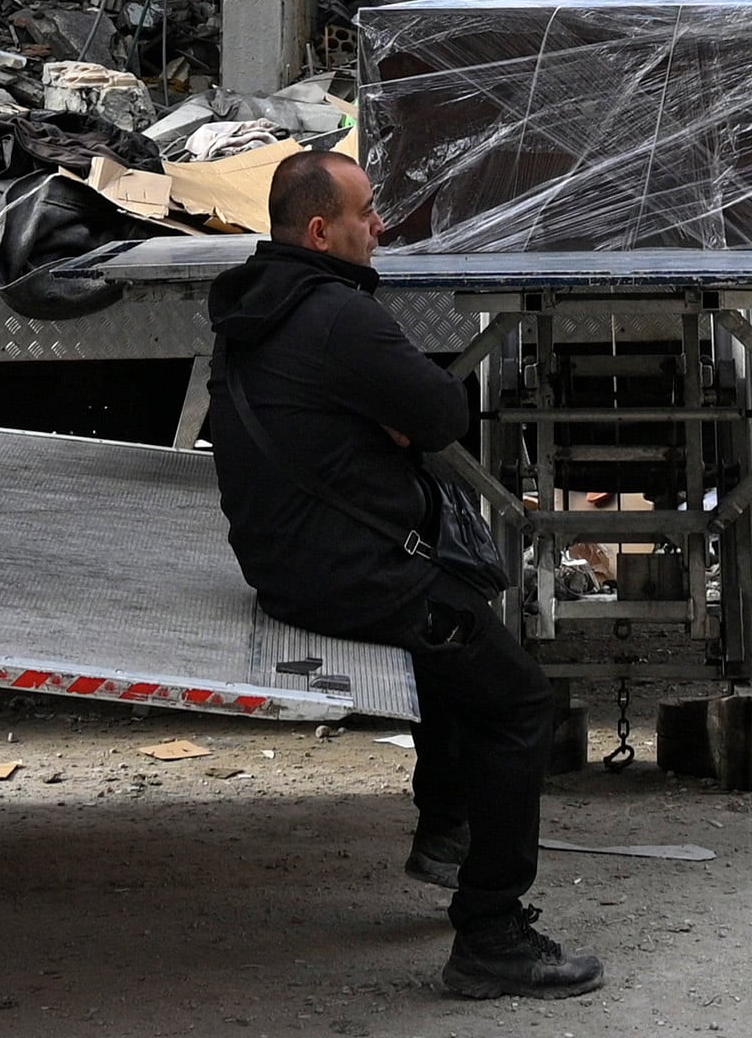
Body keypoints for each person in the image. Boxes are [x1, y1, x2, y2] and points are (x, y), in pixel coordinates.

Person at [206, 148, 602, 1001]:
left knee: (461, 652)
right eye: (364, 214)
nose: (378, 226)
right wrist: (394, 419)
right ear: (322, 230)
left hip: (287, 564)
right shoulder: (340, 318)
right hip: (355, 574)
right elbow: (444, 414)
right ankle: (491, 935)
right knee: (519, 701)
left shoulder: (252, 306)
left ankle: (446, 833)